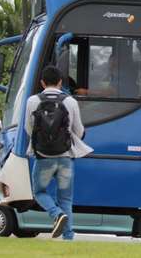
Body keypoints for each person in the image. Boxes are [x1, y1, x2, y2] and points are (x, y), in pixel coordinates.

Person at [24, 65, 93, 240]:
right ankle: (68, 237)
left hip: (43, 157)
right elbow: (78, 130)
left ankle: (56, 214)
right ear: (61, 82)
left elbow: (28, 128)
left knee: (39, 192)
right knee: (66, 199)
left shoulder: (32, 101)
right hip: (65, 157)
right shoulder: (70, 101)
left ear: (42, 82)